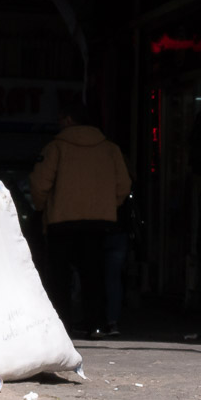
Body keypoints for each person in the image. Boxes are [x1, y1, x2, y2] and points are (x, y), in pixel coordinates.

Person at [29, 97, 131, 338]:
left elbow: (39, 183)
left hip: (61, 221)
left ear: (68, 120)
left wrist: (43, 206)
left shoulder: (56, 148)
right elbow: (124, 185)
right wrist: (107, 205)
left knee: (59, 278)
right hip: (98, 222)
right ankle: (95, 323)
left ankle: (61, 326)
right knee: (94, 275)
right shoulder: (110, 148)